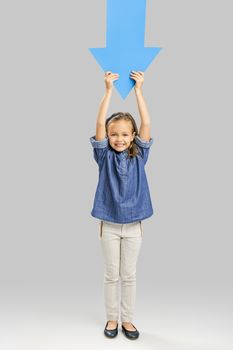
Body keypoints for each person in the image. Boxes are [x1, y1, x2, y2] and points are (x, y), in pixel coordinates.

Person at [90, 71, 154, 340]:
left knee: (129, 275)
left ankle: (127, 319)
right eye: (114, 134)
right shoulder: (103, 156)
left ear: (133, 136)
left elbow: (147, 123)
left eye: (125, 134)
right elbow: (98, 125)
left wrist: (139, 90)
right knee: (110, 274)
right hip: (110, 225)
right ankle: (111, 318)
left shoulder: (139, 154)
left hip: (134, 225)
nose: (119, 138)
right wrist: (107, 91)